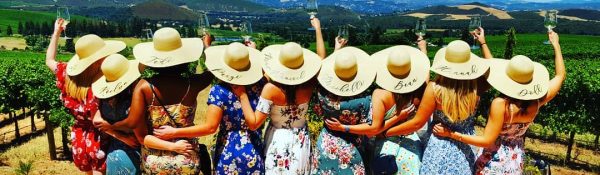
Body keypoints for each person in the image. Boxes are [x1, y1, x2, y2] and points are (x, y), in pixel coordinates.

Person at [433, 31, 566, 174]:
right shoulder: (536, 102)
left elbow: (486, 140)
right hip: (515, 161)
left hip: (493, 161)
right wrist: (556, 46)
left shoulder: (501, 104)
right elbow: (560, 75)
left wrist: (451, 134)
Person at [384, 27, 493, 174]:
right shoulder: (476, 87)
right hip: (466, 144)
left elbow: (417, 123)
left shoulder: (436, 89)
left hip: (439, 145)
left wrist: (387, 131)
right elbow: (492, 71)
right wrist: (483, 43)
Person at [231, 17, 326, 175]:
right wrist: (318, 29)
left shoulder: (270, 89)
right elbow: (321, 61)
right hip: (301, 139)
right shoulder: (308, 85)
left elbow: (254, 124)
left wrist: (242, 95)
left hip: (278, 141)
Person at [110, 27, 213, 174]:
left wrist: (111, 127)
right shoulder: (193, 83)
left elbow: (139, 132)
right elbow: (213, 70)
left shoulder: (144, 87)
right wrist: (207, 47)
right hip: (187, 156)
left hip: (155, 161)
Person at [45, 18, 126, 175]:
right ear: (96, 61)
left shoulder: (66, 74)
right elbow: (97, 121)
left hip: (79, 137)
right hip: (98, 140)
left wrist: (56, 33)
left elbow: (49, 60)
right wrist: (123, 136)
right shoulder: (99, 85)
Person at [360, 40, 430, 174]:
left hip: (386, 147)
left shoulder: (381, 95)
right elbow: (425, 75)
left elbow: (374, 131)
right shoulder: (419, 91)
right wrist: (423, 50)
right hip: (411, 146)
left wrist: (397, 117)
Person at [310, 45, 376, 174]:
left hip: (326, 145)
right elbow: (370, 129)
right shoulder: (365, 100)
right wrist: (344, 127)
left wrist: (336, 49)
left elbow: (318, 111)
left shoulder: (322, 94)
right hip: (353, 148)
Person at [91, 54, 142, 175]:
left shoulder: (103, 100)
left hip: (114, 152)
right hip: (135, 151)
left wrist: (113, 130)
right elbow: (134, 125)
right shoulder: (134, 100)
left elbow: (98, 123)